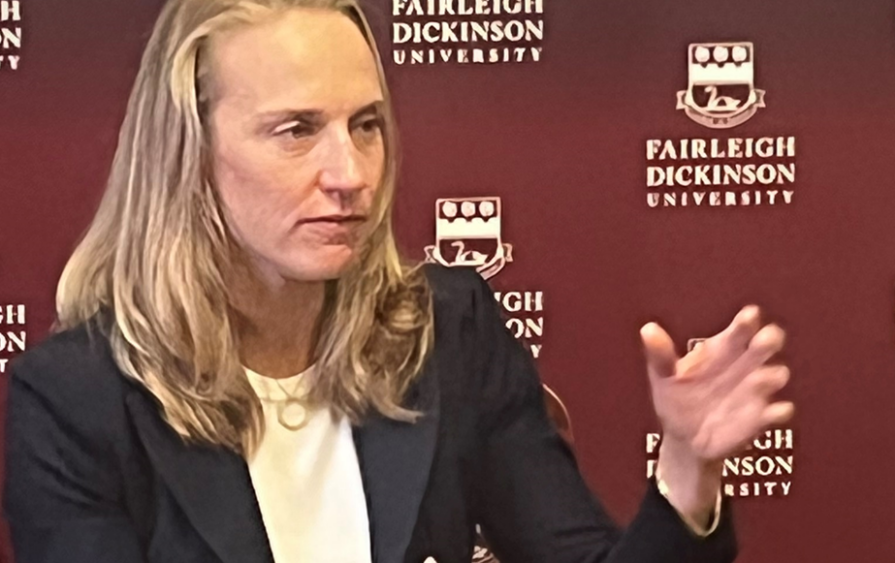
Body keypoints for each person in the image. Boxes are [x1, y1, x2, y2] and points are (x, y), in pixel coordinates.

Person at [1, 0, 794, 562]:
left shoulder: (448, 332)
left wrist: (687, 468)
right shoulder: (75, 403)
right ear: (188, 153)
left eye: (366, 125)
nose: (350, 173)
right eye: (297, 130)